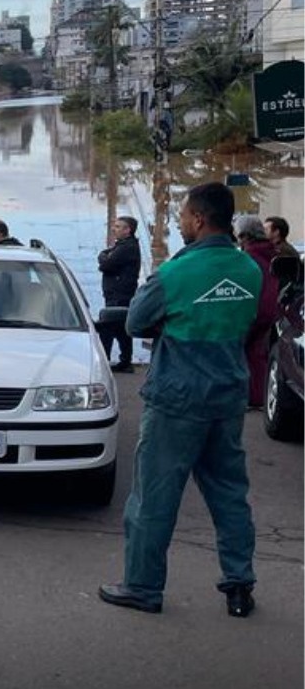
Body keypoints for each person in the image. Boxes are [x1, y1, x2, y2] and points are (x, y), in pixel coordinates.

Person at [100, 182, 261, 618]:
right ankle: (239, 587)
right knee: (230, 494)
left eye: (183, 215)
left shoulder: (174, 273)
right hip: (228, 396)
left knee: (153, 498)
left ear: (200, 219)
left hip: (177, 398)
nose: (178, 221)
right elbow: (249, 322)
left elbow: (134, 322)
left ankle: (143, 587)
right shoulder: (249, 270)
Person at [236, 217, 278, 409]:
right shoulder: (271, 253)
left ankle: (249, 396)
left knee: (245, 353)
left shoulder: (249, 257)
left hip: (254, 309)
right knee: (258, 354)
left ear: (245, 236)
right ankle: (258, 396)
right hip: (270, 309)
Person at [97, 216, 142, 373]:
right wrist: (105, 255)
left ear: (127, 230)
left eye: (117, 226)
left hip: (120, 294)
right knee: (121, 328)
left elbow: (106, 264)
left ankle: (104, 361)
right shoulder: (122, 246)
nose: (113, 229)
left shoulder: (127, 247)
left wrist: (103, 257)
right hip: (116, 294)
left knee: (107, 327)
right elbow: (106, 256)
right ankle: (125, 361)